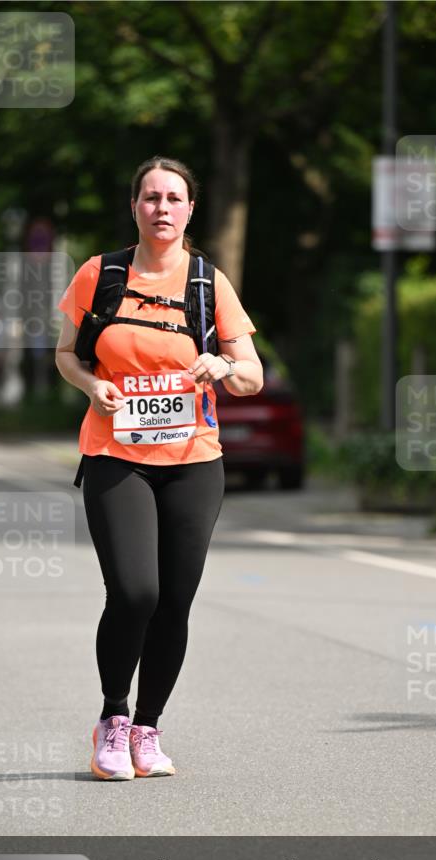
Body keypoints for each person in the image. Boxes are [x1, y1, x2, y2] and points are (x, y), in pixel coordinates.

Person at [55, 156, 263, 780]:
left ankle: (148, 728)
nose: (162, 208)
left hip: (194, 462)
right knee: (134, 591)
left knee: (174, 601)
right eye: (151, 197)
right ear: (135, 207)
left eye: (174, 198)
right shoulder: (102, 274)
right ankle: (113, 719)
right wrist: (93, 387)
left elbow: (251, 373)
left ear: (190, 210)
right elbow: (67, 355)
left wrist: (222, 367)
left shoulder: (207, 281)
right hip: (115, 456)